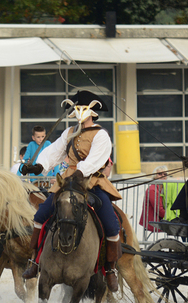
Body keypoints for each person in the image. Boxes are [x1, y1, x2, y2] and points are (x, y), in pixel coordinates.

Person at [20, 90, 121, 292]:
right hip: (67, 182)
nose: (78, 112)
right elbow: (54, 152)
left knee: (111, 225)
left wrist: (81, 172)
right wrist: (39, 166)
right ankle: (35, 261)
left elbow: (96, 159)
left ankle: (109, 270)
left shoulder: (101, 135)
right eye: (76, 108)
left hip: (91, 181)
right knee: (40, 215)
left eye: (82, 108)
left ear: (92, 111)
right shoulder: (69, 133)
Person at [139, 165, 167, 232]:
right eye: (160, 174)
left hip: (160, 220)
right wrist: (171, 217)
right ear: (154, 176)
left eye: (165, 174)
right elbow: (159, 210)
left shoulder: (164, 188)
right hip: (153, 223)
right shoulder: (152, 189)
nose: (163, 176)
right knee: (182, 227)